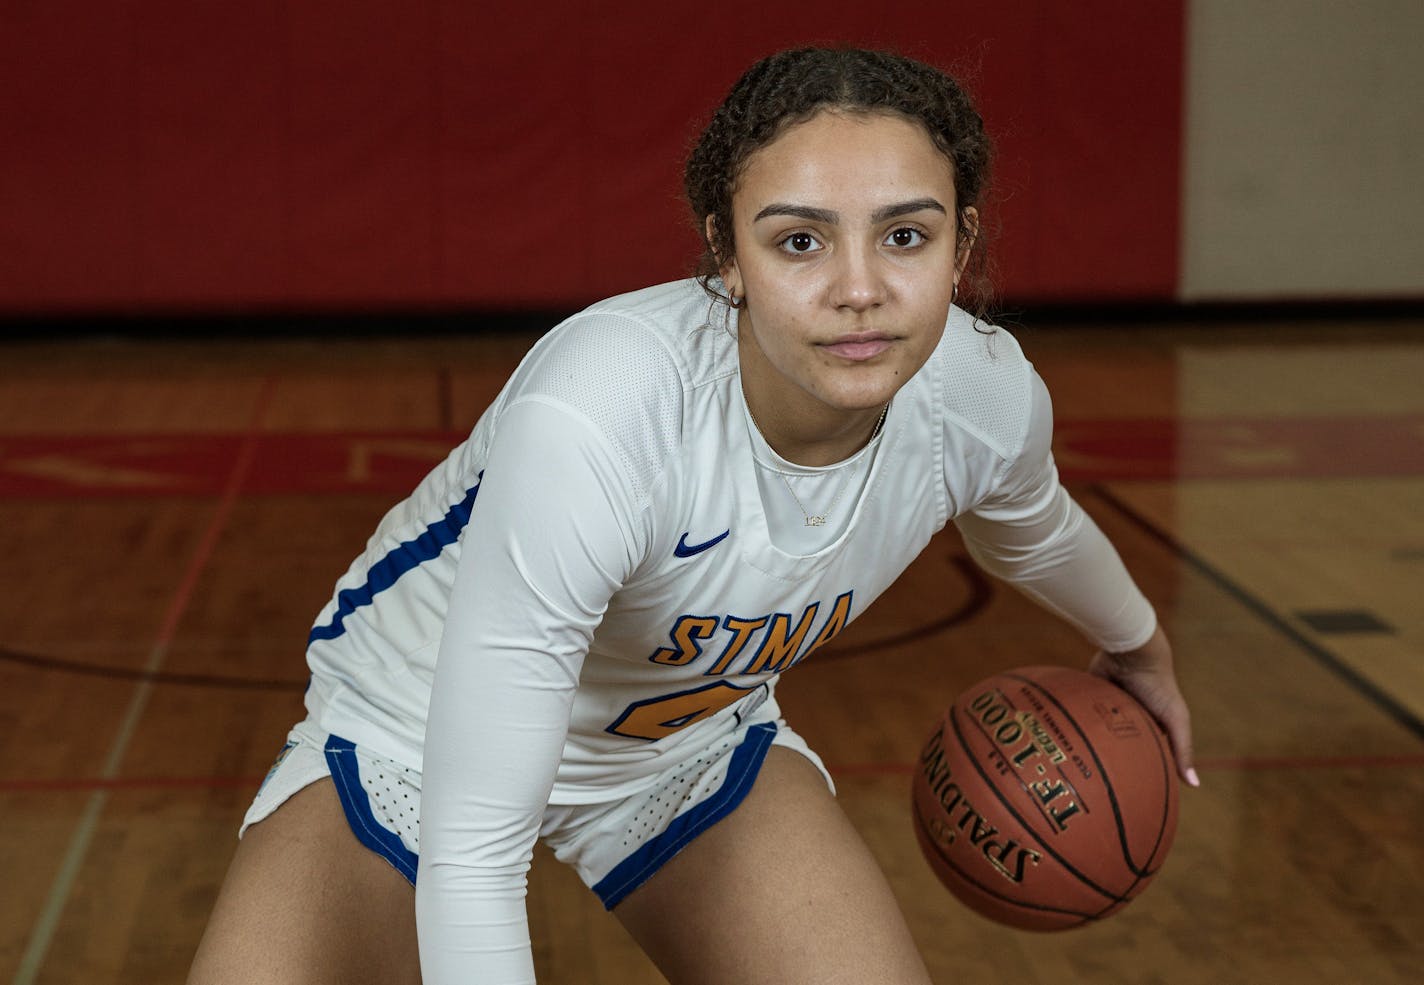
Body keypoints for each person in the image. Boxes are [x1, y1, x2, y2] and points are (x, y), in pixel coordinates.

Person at [187, 46, 1196, 985]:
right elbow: (474, 851)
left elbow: (1034, 527)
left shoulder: (979, 398)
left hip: (680, 744)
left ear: (960, 243)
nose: (859, 288)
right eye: (798, 240)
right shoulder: (604, 414)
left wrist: (1138, 648)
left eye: (904, 234)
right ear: (724, 254)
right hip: (407, 737)